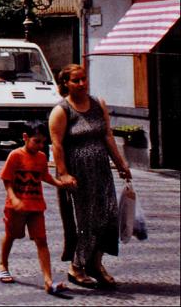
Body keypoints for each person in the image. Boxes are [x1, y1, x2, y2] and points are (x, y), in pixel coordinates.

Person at [49, 64, 130, 290]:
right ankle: (76, 267)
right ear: (66, 83)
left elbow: (107, 135)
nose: (82, 84)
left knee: (110, 215)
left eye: (84, 79)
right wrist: (64, 174)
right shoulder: (62, 111)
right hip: (78, 174)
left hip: (101, 171)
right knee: (87, 220)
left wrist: (121, 163)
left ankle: (95, 263)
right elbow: (57, 145)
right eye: (76, 80)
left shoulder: (97, 104)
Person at [0, 122, 71, 296]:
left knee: (41, 240)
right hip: (16, 207)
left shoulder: (41, 157)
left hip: (36, 205)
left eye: (43, 142)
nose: (40, 145)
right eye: (36, 141)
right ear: (25, 137)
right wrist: (14, 198)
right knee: (11, 235)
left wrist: (60, 184)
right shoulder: (15, 155)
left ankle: (48, 280)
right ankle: (2, 265)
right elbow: (6, 179)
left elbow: (44, 175)